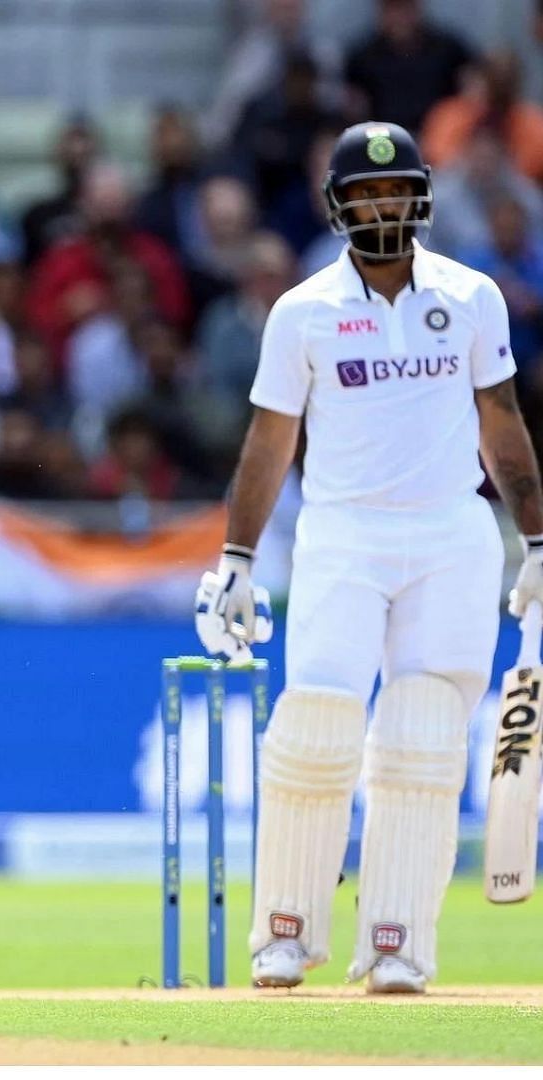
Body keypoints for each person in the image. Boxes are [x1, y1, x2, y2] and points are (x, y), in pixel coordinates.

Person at [194, 122, 543, 993]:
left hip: (449, 534)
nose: (382, 205)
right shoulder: (303, 310)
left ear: (420, 196)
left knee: (424, 735)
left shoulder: (471, 298)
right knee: (315, 725)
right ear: (339, 205)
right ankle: (286, 931)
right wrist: (236, 557)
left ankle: (396, 943)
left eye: (395, 192)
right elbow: (270, 441)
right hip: (343, 533)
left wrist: (537, 539)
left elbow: (502, 424)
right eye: (366, 194)